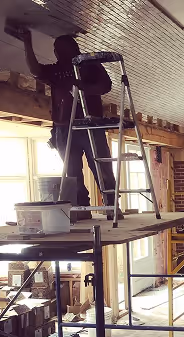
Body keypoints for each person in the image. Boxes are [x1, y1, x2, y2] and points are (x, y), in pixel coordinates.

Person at [21, 31, 122, 220]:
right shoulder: (55, 70)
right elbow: (35, 71)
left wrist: (80, 86)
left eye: (62, 49)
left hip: (90, 125)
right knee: (72, 171)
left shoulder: (90, 66)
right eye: (56, 49)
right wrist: (27, 42)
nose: (58, 53)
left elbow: (105, 86)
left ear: (75, 49)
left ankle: (112, 205)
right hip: (64, 126)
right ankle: (81, 208)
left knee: (101, 167)